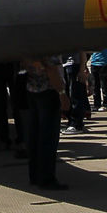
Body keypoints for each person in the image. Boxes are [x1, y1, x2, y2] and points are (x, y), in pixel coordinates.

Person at [19, 56, 68, 190]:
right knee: (48, 137)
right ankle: (46, 178)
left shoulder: (30, 46)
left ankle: (34, 175)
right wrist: (62, 94)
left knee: (34, 135)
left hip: (32, 89)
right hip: (48, 91)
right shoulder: (48, 44)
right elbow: (51, 69)